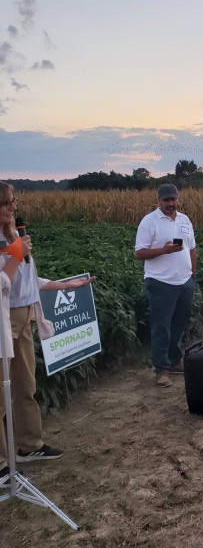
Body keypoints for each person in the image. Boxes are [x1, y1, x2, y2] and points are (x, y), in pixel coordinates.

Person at [0, 181, 95, 480]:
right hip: (3, 320)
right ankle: (2, 463)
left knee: (25, 386)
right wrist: (15, 254)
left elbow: (30, 281)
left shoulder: (15, 236)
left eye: (14, 201)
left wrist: (68, 285)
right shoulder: (11, 244)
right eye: (7, 203)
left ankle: (29, 445)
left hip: (24, 316)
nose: (14, 207)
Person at [135, 184, 197, 388]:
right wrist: (163, 251)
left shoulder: (185, 219)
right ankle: (161, 369)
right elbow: (139, 253)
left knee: (179, 324)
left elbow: (192, 249)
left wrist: (193, 276)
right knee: (161, 327)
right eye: (166, 200)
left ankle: (175, 361)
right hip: (161, 283)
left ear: (178, 199)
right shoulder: (149, 222)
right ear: (159, 200)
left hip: (184, 281)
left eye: (173, 199)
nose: (171, 203)